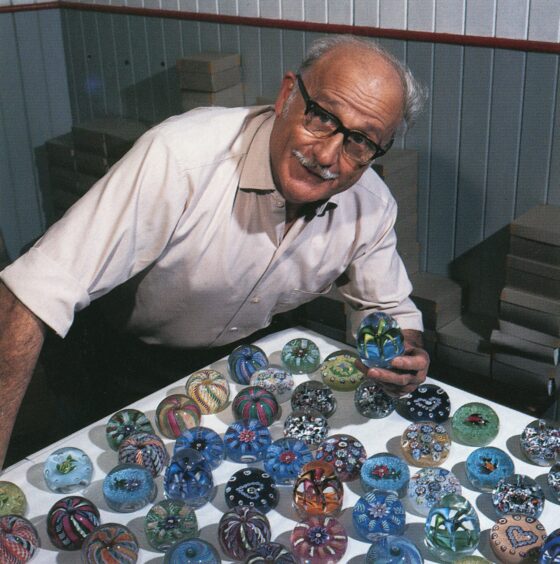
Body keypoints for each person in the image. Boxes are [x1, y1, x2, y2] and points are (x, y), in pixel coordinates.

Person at [0, 34, 429, 469]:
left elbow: (388, 308)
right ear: (286, 96)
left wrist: (404, 353)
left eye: (360, 142)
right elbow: (29, 295)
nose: (326, 155)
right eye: (320, 117)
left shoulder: (371, 205)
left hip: (240, 362)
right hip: (115, 357)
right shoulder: (181, 156)